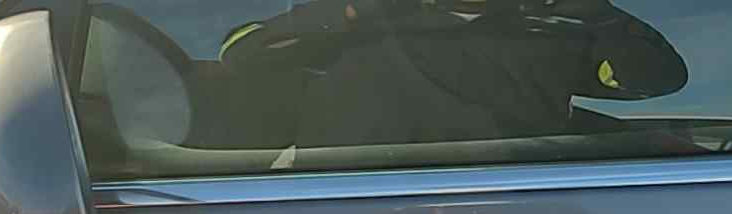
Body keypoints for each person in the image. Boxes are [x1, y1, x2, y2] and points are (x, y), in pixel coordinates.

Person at [214, 0, 688, 148]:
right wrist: (354, 11)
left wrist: (598, 14)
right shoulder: (361, 23)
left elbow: (656, 78)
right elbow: (244, 56)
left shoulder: (553, 33)